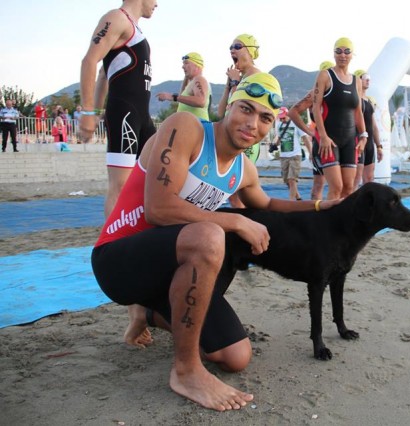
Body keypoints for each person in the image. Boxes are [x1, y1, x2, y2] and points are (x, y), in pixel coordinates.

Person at [91, 72, 340, 411]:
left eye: (265, 118)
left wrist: (318, 205)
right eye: (246, 110)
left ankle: (147, 314)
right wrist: (235, 220)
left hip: (167, 271)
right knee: (210, 234)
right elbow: (159, 209)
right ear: (229, 104)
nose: (253, 123)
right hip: (118, 262)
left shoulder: (242, 169)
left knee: (235, 356)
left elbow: (266, 204)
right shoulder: (187, 129)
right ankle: (186, 370)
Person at [80, 0, 158, 218]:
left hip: (142, 117)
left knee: (149, 180)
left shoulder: (134, 28)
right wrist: (89, 112)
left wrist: (95, 111)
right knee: (120, 186)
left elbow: (104, 75)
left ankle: (136, 235)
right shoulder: (116, 18)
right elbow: (89, 61)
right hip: (124, 113)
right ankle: (111, 246)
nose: (157, 4)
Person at [312, 37, 367, 200]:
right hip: (330, 139)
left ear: (352, 55)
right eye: (338, 51)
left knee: (349, 188)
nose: (342, 55)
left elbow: (358, 111)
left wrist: (363, 135)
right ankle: (330, 223)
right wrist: (323, 136)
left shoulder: (357, 81)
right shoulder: (325, 75)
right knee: (336, 187)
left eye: (347, 51)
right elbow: (315, 108)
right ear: (334, 54)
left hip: (350, 139)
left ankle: (344, 223)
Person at [217, 34, 261, 208]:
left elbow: (242, 109)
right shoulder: (239, 79)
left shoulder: (257, 77)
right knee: (234, 195)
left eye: (237, 46)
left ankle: (249, 227)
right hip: (232, 139)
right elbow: (222, 112)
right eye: (230, 48)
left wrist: (236, 82)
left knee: (240, 193)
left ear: (250, 51)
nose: (232, 50)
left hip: (246, 140)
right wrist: (229, 84)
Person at [288, 60, 334, 200]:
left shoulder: (342, 92)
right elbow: (293, 112)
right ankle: (316, 218)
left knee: (342, 185)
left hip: (339, 141)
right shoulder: (314, 93)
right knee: (319, 187)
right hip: (321, 145)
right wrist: (310, 132)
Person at [157, 52, 210, 121]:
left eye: (186, 63)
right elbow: (182, 97)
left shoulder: (199, 79)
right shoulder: (192, 82)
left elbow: (201, 101)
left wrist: (172, 96)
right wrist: (186, 76)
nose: (182, 66)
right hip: (191, 127)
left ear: (197, 66)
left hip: (197, 128)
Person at [352, 70, 383, 188]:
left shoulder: (369, 101)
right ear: (358, 80)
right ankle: (351, 205)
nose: (368, 80)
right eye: (365, 78)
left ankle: (368, 205)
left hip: (369, 143)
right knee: (355, 179)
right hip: (358, 141)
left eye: (369, 78)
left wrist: (379, 146)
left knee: (369, 179)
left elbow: (373, 125)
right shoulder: (354, 99)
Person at [273, 107, 312, 200]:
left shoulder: (296, 123)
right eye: (280, 118)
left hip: (295, 155)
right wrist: (274, 145)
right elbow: (279, 138)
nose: (282, 119)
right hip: (284, 156)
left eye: (283, 117)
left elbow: (305, 138)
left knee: (292, 179)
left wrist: (311, 152)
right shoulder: (279, 124)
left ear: (288, 115)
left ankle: (291, 201)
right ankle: (298, 197)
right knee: (286, 180)